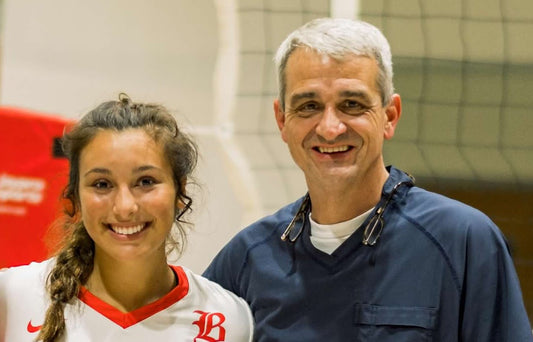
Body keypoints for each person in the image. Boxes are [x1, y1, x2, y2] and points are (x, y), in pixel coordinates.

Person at [203, 17, 533, 341]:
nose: (330, 128)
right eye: (309, 106)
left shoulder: (463, 240)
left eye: (352, 104)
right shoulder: (247, 257)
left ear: (390, 116)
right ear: (281, 120)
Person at [0, 94, 254, 342]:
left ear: (180, 191)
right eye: (102, 184)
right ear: (75, 197)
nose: (124, 207)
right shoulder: (11, 297)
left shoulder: (230, 319)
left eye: (145, 182)